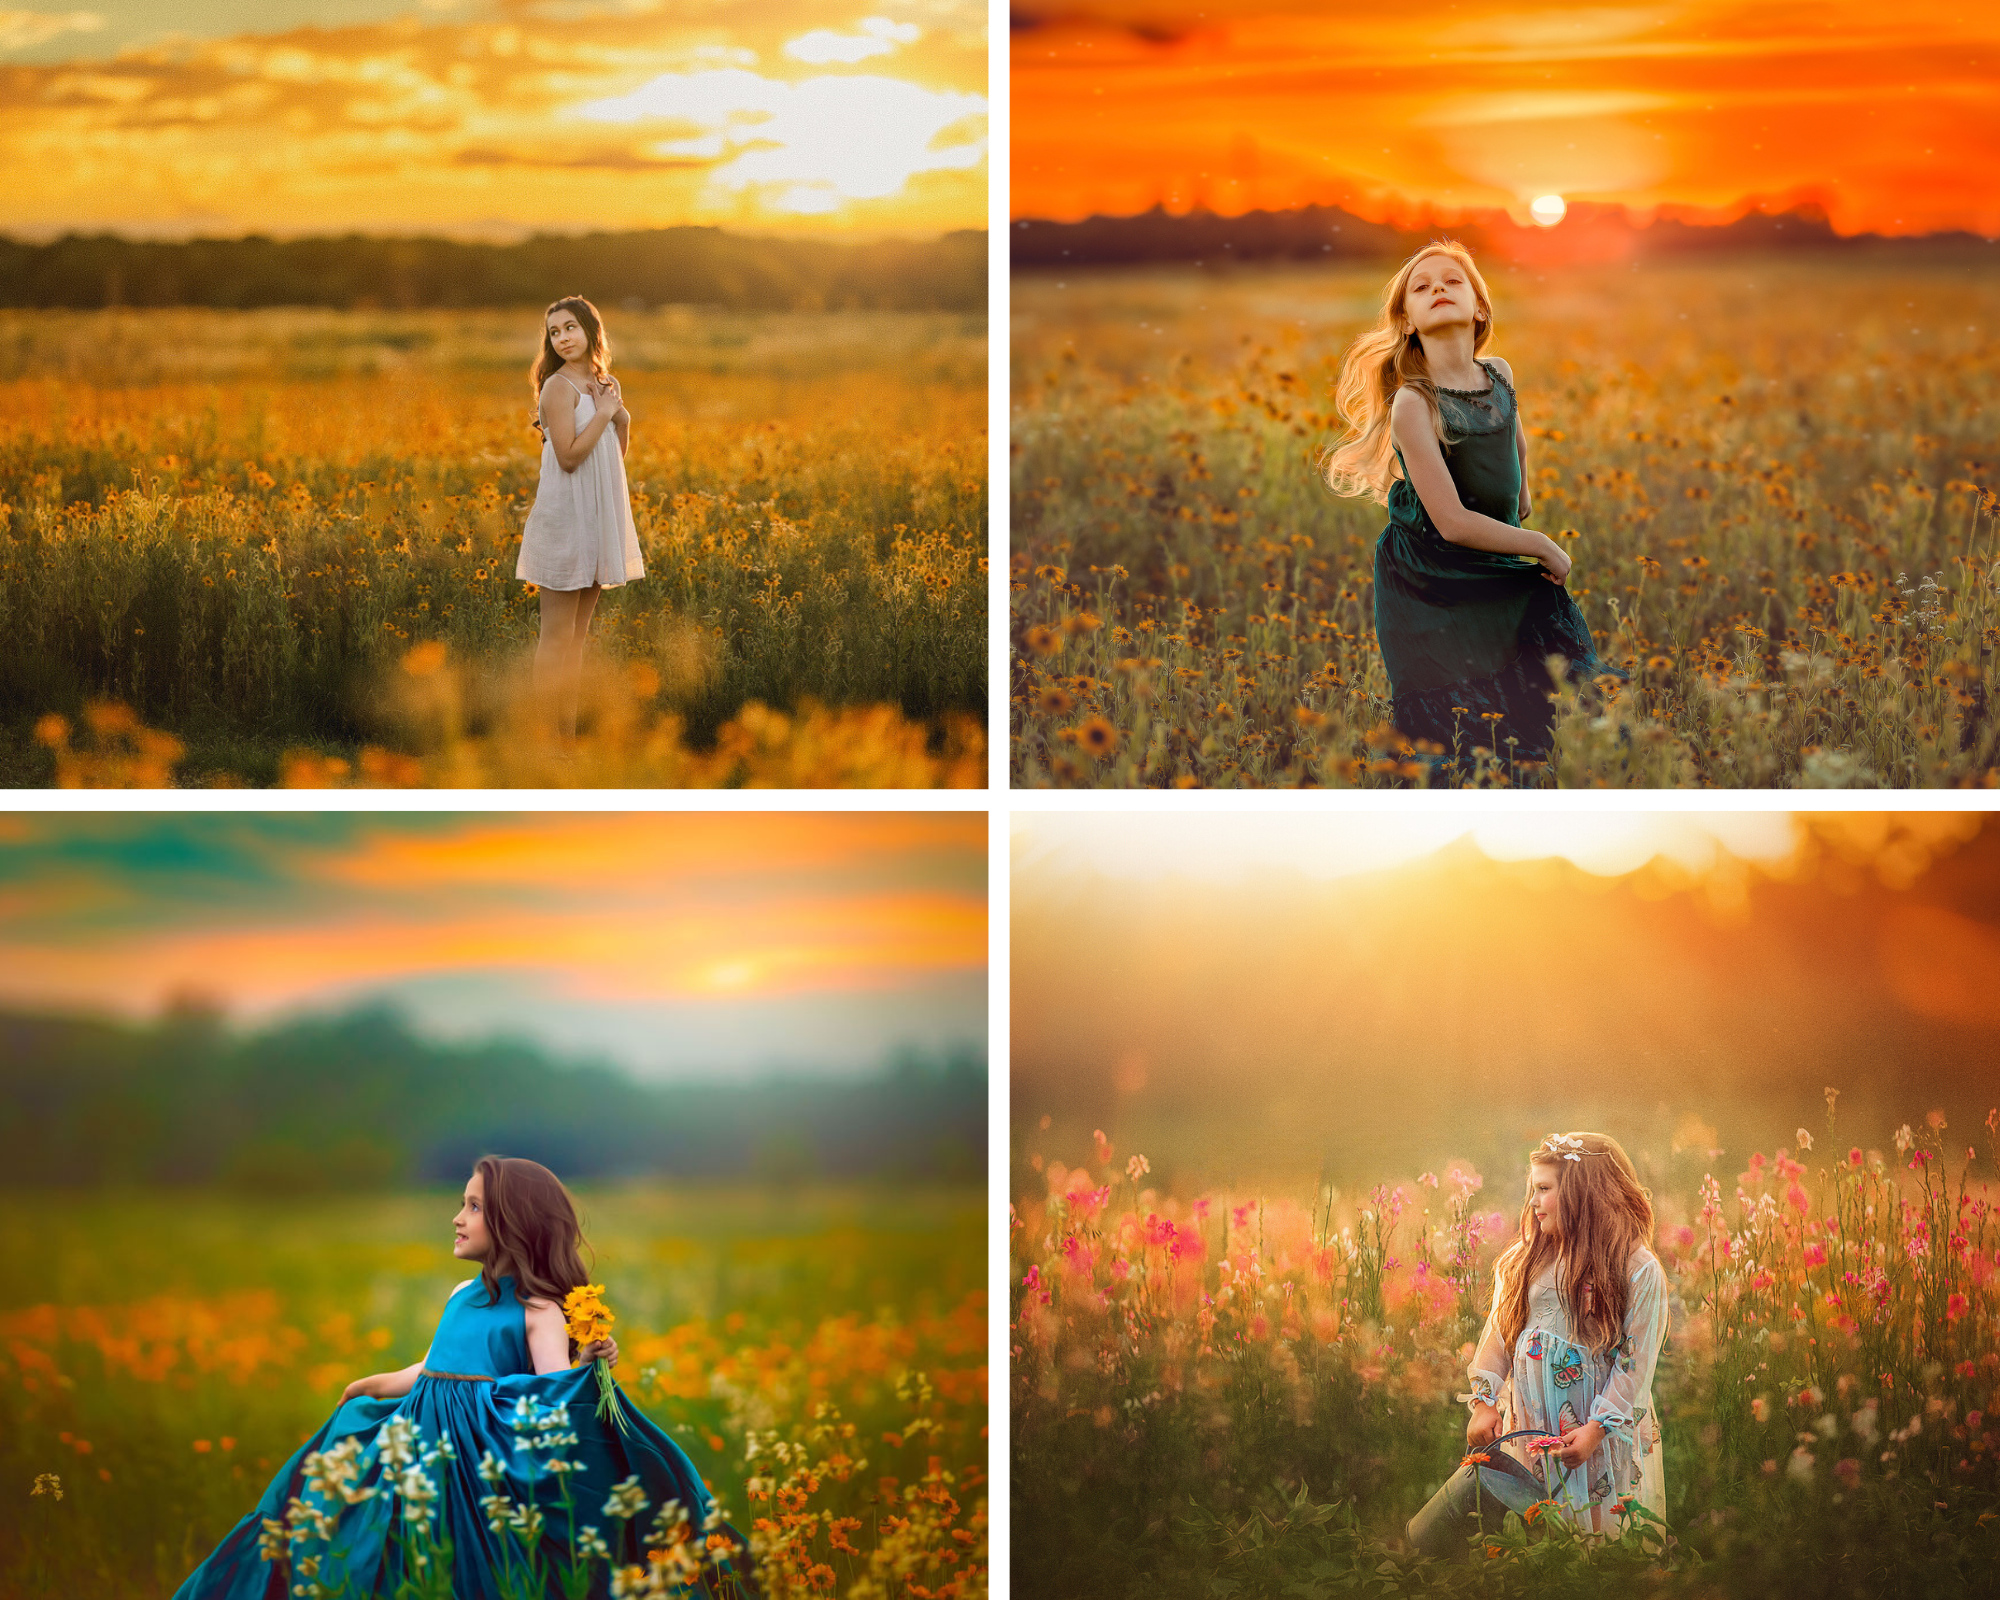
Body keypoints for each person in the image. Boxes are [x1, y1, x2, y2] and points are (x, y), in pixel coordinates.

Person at [173, 1156, 750, 1598]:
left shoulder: (540, 1308)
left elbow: (552, 1395)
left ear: (513, 1221)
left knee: (471, 1566)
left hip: (479, 1466)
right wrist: (372, 1385)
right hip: (420, 1452)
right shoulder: (459, 1295)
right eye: (463, 1204)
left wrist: (588, 1363)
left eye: (473, 1206)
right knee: (376, 1540)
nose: (458, 1217)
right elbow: (434, 1368)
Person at [1322, 242, 1621, 773]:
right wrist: (1540, 544)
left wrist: (1521, 499)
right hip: (1429, 576)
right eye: (1422, 286)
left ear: (1480, 308)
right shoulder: (1416, 404)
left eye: (1452, 281)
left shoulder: (1499, 374)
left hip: (1489, 552)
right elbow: (1454, 524)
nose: (1438, 288)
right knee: (1454, 715)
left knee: (1528, 689)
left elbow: (1516, 441)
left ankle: (1527, 777)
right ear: (1408, 321)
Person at [1461, 1131, 1670, 1536]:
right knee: (1538, 1535)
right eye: (1532, 1190)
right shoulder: (1524, 1260)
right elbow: (1499, 1339)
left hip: (1597, 1440)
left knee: (1598, 1534)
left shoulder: (1635, 1267)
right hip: (1531, 1436)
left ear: (1581, 1194)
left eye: (1543, 1189)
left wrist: (1594, 1430)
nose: (1533, 1203)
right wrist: (1484, 1403)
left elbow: (1634, 1366)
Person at [518, 296, 645, 744]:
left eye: (570, 327)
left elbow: (612, 457)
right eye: (555, 332)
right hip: (564, 519)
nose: (563, 338)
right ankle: (540, 740)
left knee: (576, 642)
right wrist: (608, 413)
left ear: (592, 330)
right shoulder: (557, 387)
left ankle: (564, 744)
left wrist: (620, 418)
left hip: (597, 518)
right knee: (554, 640)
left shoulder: (602, 382)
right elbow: (570, 458)